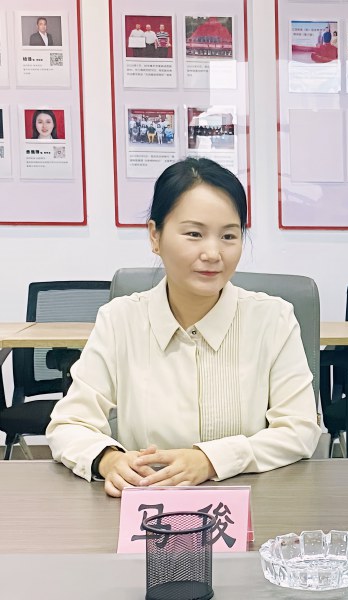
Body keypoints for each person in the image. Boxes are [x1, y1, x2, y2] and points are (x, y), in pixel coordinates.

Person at [46, 158, 321, 497]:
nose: (213, 253)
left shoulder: (273, 319)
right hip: (148, 507)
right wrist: (108, 459)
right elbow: (69, 424)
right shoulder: (120, 320)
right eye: (194, 234)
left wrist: (209, 460)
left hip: (253, 503)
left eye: (229, 236)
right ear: (155, 236)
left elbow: (299, 429)